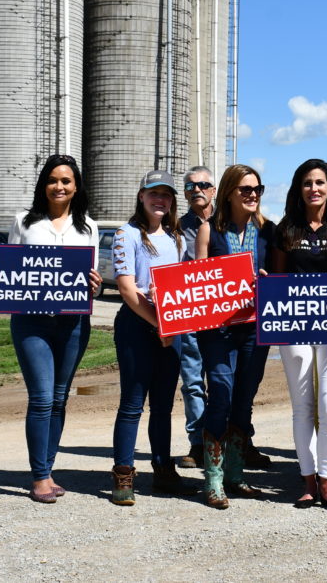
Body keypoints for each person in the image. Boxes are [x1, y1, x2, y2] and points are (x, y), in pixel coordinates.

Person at [0, 154, 102, 504]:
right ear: (43, 185)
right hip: (31, 322)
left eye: (66, 181)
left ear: (76, 186)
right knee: (42, 398)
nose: (59, 187)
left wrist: (95, 286)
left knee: (60, 399)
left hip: (74, 324)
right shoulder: (24, 222)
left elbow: (91, 281)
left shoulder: (89, 227)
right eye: (52, 180)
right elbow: (7, 273)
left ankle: (47, 468)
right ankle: (40, 477)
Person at [270, 158, 327, 513]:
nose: (314, 189)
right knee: (303, 407)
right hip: (294, 329)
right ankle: (308, 483)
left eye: (320, 183)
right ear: (298, 189)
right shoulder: (285, 229)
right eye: (307, 183)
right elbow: (275, 282)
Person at [194, 163, 276, 509]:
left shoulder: (269, 232)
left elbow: (282, 278)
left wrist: (268, 278)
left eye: (257, 188)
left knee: (244, 397)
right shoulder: (208, 231)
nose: (253, 194)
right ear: (229, 192)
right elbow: (196, 281)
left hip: (255, 328)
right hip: (219, 330)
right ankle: (212, 479)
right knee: (222, 394)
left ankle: (235, 475)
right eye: (245, 189)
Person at [109, 170, 187, 505]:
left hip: (170, 329)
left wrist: (170, 325)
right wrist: (159, 324)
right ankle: (123, 474)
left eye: (166, 195)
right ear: (141, 196)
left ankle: (163, 470)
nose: (160, 200)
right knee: (132, 404)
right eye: (154, 193)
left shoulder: (175, 238)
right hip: (138, 327)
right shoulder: (125, 235)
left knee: (163, 406)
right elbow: (127, 289)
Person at [175, 166, 215, 468]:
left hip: (226, 316)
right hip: (189, 315)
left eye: (203, 184)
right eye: (190, 186)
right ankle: (198, 443)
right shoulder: (175, 227)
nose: (196, 189)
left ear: (213, 189)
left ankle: (236, 440)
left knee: (226, 382)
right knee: (192, 382)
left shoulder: (230, 222)